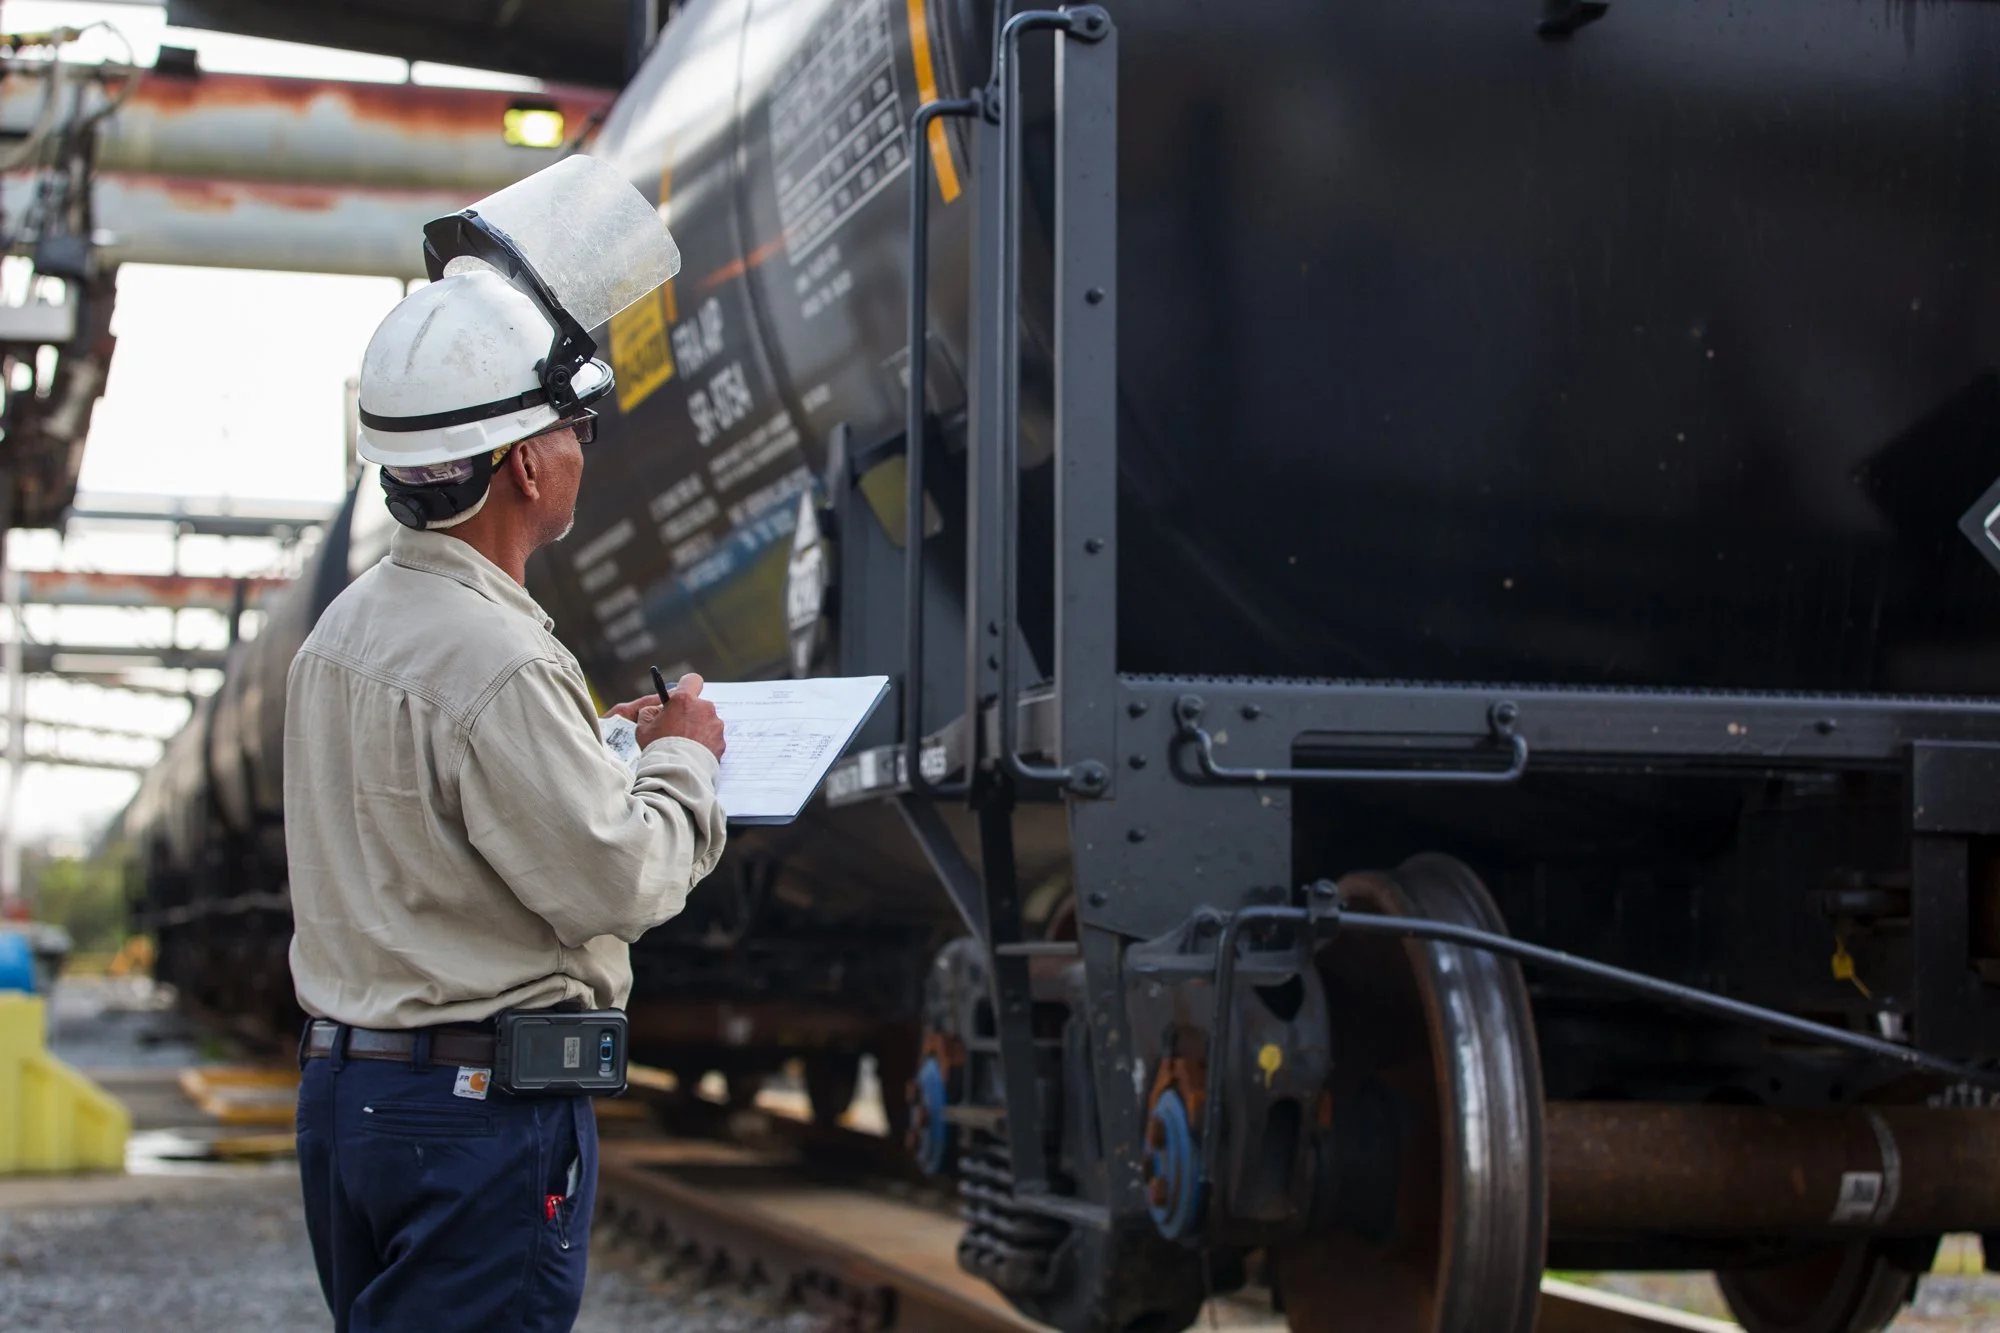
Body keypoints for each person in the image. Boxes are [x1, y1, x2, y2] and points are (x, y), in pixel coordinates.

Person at [284, 264, 728, 1333]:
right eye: (574, 427)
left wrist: (599, 749)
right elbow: (615, 881)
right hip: (473, 1114)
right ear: (528, 463)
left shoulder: (337, 635)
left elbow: (429, 840)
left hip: (352, 1100)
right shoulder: (498, 657)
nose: (582, 449)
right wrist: (685, 762)